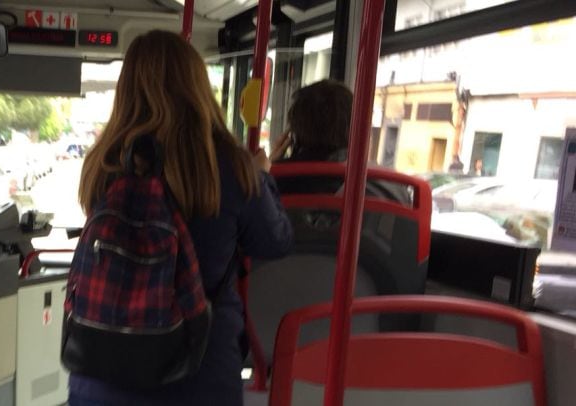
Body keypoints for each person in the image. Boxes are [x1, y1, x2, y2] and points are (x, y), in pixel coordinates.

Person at [72, 30, 293, 406]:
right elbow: (275, 240)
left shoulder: (103, 164)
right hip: (200, 369)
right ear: (196, 86)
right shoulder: (229, 165)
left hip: (103, 365)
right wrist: (262, 173)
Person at [271, 79, 412, 205]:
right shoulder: (394, 187)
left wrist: (267, 168)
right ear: (358, 130)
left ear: (293, 136)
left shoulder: (273, 182)